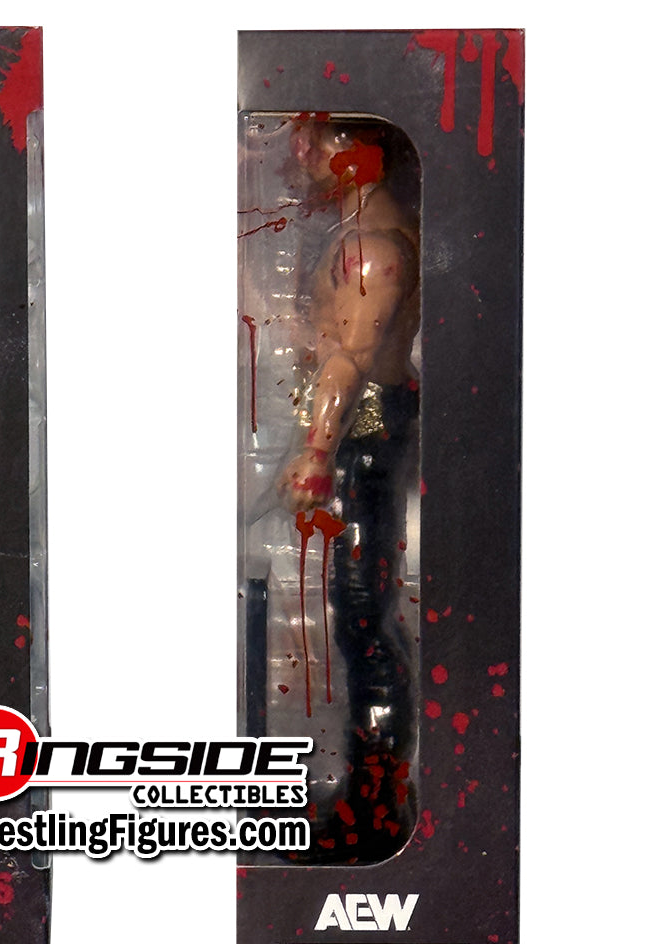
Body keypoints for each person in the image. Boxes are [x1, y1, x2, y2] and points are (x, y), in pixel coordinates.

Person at [276, 118, 422, 860]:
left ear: (361, 153)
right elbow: (327, 346)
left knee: (364, 616)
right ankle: (373, 797)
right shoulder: (360, 237)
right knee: (363, 614)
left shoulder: (371, 250)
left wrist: (314, 452)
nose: (302, 153)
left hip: (363, 438)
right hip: (363, 434)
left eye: (320, 140)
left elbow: (348, 362)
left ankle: (376, 805)